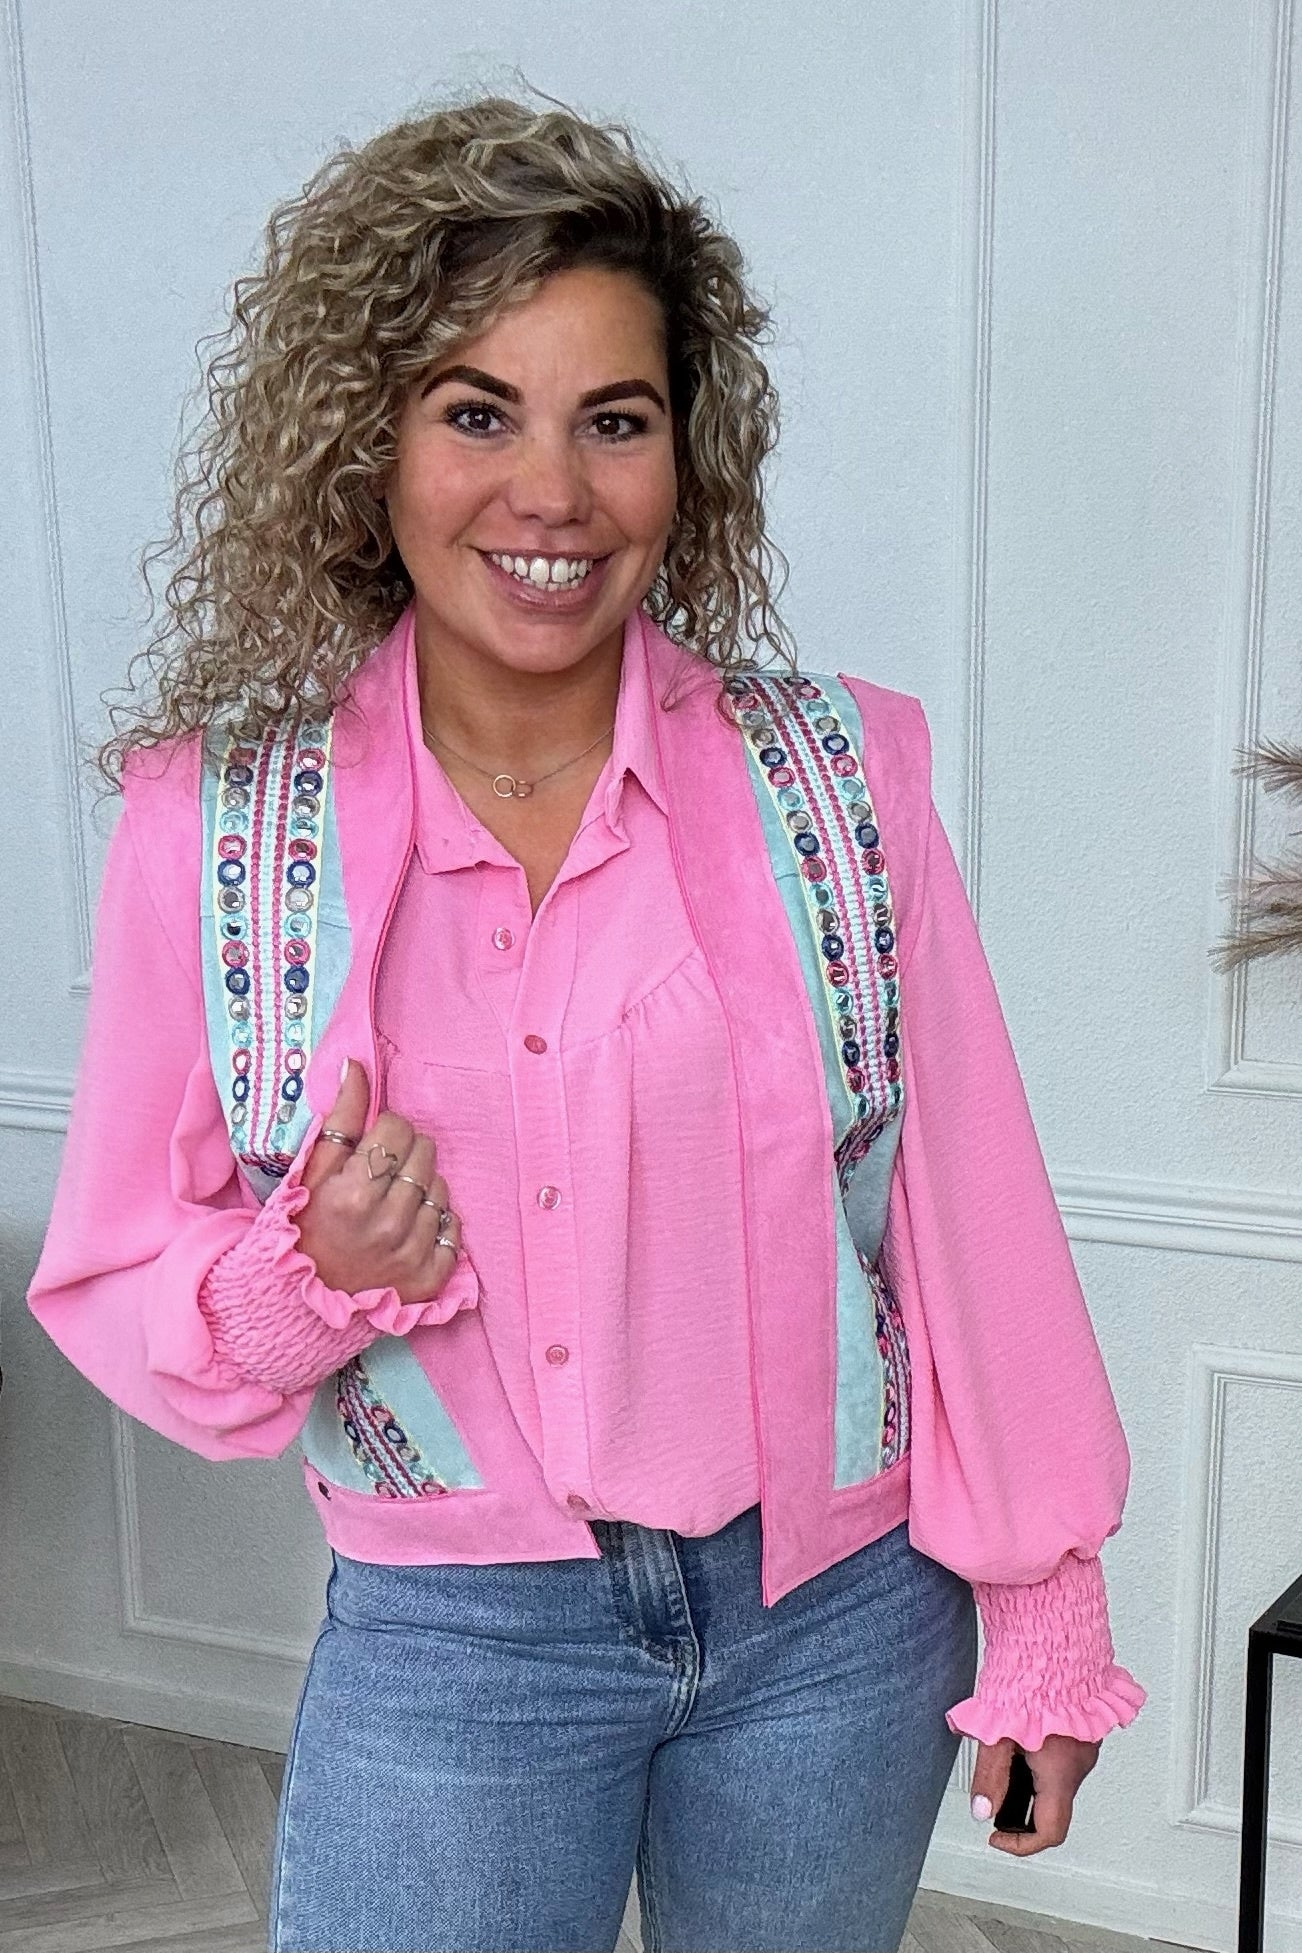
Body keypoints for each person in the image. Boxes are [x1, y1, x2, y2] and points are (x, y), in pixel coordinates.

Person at [27, 92, 1144, 1953]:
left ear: (684, 460)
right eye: (477, 412)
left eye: (613, 420)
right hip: (459, 1642)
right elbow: (122, 1262)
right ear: (367, 443)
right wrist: (313, 1278)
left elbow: (962, 1211)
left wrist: (1042, 1600)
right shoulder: (215, 827)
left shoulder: (832, 777)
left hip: (837, 1625)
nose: (549, 492)